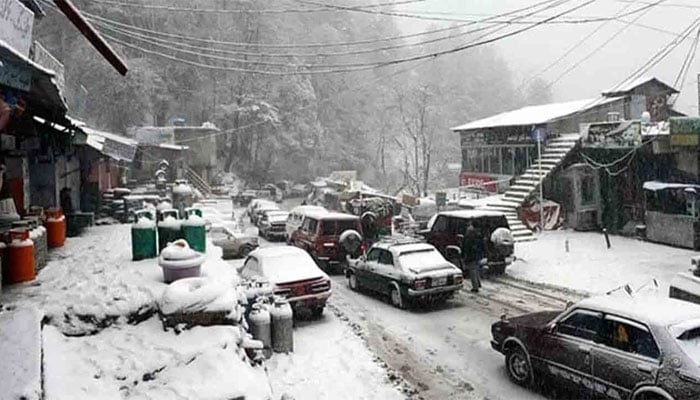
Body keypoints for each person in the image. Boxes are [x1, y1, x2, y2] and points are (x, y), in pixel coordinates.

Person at [463, 223, 482, 292]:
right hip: (477, 256)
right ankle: (478, 283)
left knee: (472, 272)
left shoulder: (468, 239)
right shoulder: (477, 237)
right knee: (476, 270)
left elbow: (466, 249)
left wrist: (465, 257)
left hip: (472, 257)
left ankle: (475, 287)